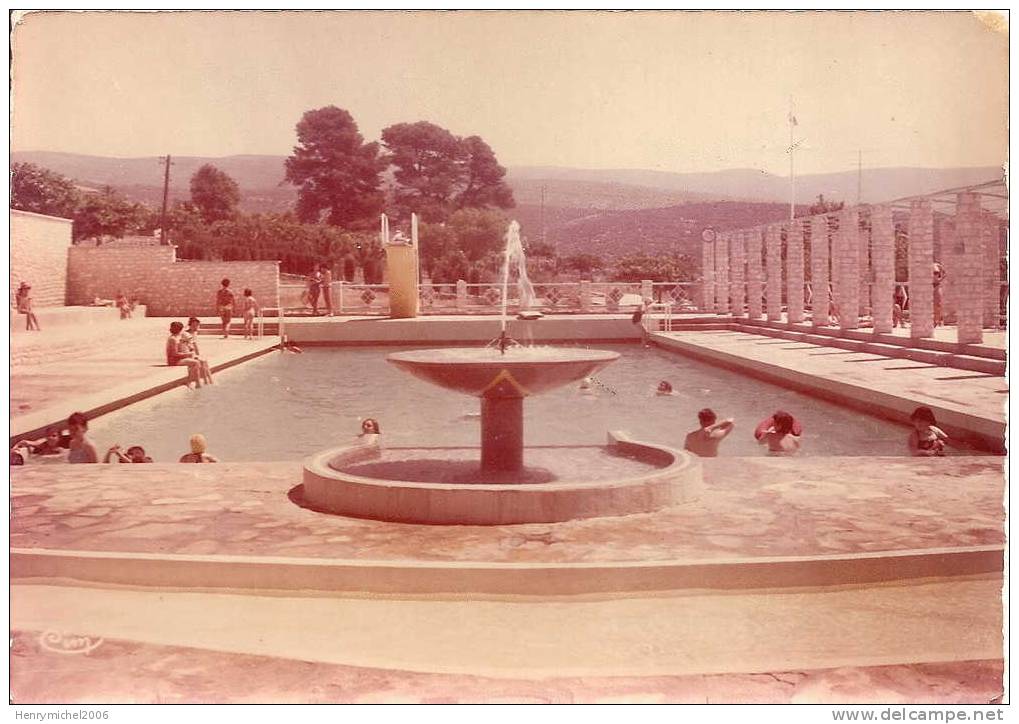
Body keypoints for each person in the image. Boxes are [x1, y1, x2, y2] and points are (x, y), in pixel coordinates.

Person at [166, 321, 202, 389]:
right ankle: (193, 382)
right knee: (195, 363)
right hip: (173, 360)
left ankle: (196, 382)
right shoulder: (173, 339)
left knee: (196, 360)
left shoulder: (178, 337)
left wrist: (189, 352)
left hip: (179, 359)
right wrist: (187, 354)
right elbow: (174, 354)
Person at [182, 317, 214, 385]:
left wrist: (198, 355)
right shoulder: (186, 334)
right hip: (187, 353)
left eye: (197, 325)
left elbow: (195, 346)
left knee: (204, 362)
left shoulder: (194, 333)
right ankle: (207, 382)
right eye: (194, 325)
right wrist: (197, 355)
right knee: (202, 361)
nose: (196, 327)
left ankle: (209, 381)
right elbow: (192, 347)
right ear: (190, 325)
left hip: (191, 353)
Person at [932, 262, 947, 327]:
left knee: (938, 305)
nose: (935, 274)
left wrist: (941, 268)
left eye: (936, 273)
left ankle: (938, 320)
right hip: (931, 287)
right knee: (933, 305)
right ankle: (936, 320)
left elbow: (944, 273)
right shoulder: (930, 266)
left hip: (937, 287)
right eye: (934, 273)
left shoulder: (936, 265)